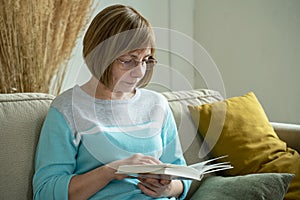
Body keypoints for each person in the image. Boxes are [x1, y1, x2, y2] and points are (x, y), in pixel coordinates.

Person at [33, 4, 191, 200]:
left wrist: (167, 189)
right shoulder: (67, 109)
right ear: (100, 56)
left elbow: (181, 176)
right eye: (128, 60)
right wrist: (111, 171)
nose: (140, 72)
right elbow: (46, 192)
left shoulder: (157, 105)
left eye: (145, 60)